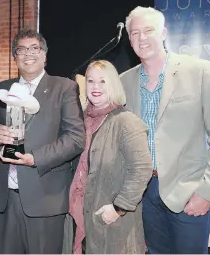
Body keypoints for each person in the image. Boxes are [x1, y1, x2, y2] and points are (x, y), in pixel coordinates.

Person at [121, 6, 210, 254]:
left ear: (163, 33)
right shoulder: (124, 82)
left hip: (188, 190)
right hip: (143, 194)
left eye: (148, 30)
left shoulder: (200, 71)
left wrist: (207, 192)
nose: (142, 38)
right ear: (129, 40)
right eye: (135, 33)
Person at [0, 28, 85, 254]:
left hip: (45, 198)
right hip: (4, 199)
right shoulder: (0, 90)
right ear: (15, 56)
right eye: (21, 49)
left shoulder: (64, 88)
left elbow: (76, 138)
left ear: (45, 55)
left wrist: (35, 158)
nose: (28, 53)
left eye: (35, 48)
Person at [63, 60, 152, 254]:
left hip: (112, 222)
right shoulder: (81, 121)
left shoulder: (126, 121)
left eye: (103, 81)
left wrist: (118, 208)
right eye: (91, 81)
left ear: (113, 84)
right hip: (81, 214)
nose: (95, 87)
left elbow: (142, 169)